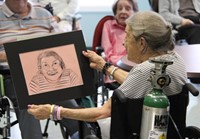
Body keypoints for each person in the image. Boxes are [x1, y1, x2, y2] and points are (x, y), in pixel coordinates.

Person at [28, 11, 187, 137]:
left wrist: (53, 111)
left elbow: (102, 112)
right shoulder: (175, 60)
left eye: (127, 35)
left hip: (136, 131)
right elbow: (139, 82)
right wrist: (104, 66)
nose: (123, 42)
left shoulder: (143, 71)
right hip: (169, 130)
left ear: (142, 42)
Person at [0, 1, 94, 139]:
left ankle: (86, 134)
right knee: (28, 104)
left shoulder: (44, 15)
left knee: (67, 100)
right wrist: (11, 54)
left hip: (50, 75)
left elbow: (59, 45)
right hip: (14, 76)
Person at [101, 0, 138, 87]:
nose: (123, 11)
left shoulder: (138, 28)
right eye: (119, 8)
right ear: (115, 12)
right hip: (113, 72)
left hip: (135, 72)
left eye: (128, 8)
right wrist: (125, 63)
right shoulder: (108, 25)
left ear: (134, 12)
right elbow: (107, 54)